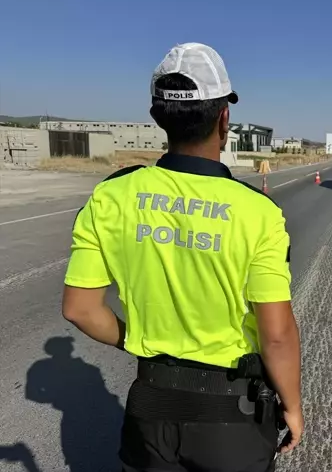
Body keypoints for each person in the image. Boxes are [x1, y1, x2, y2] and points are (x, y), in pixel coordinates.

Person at [61, 42, 303, 472]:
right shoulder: (258, 212)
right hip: (234, 420)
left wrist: (141, 342)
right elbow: (277, 335)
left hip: (149, 410)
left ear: (158, 117)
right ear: (224, 117)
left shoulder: (110, 197)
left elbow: (80, 309)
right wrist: (293, 406)